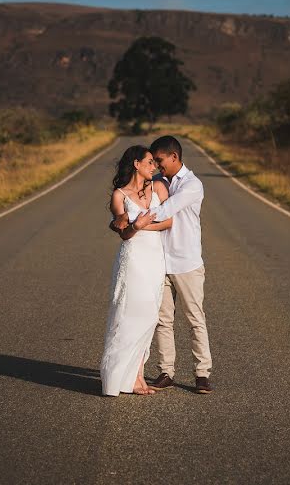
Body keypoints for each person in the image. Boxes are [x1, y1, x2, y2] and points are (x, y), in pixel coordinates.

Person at [111, 136, 213, 394]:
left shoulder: (192, 185)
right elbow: (131, 200)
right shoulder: (156, 183)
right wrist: (122, 220)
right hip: (159, 261)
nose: (156, 165)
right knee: (163, 320)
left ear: (174, 157)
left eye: (159, 160)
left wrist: (134, 223)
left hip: (186, 261)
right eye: (152, 161)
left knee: (194, 318)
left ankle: (202, 373)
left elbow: (167, 211)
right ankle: (166, 371)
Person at [100, 145, 172, 396]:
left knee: (149, 318)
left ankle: (138, 377)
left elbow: (169, 221)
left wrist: (141, 225)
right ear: (136, 164)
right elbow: (124, 233)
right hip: (133, 260)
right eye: (150, 162)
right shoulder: (119, 196)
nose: (155, 166)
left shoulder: (158, 188)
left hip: (155, 259)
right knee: (130, 316)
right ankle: (121, 378)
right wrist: (135, 225)